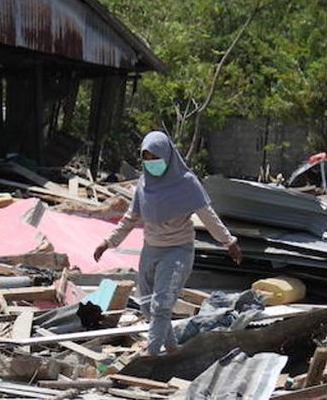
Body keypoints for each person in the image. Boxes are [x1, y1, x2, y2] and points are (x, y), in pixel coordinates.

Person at [93, 130, 242, 356]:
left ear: (168, 155)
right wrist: (108, 242)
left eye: (156, 157)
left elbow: (207, 215)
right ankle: (172, 348)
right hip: (150, 250)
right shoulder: (144, 185)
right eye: (147, 158)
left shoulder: (187, 183)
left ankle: (151, 352)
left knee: (162, 303)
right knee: (145, 304)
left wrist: (228, 241)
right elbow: (130, 219)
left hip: (177, 251)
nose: (151, 163)